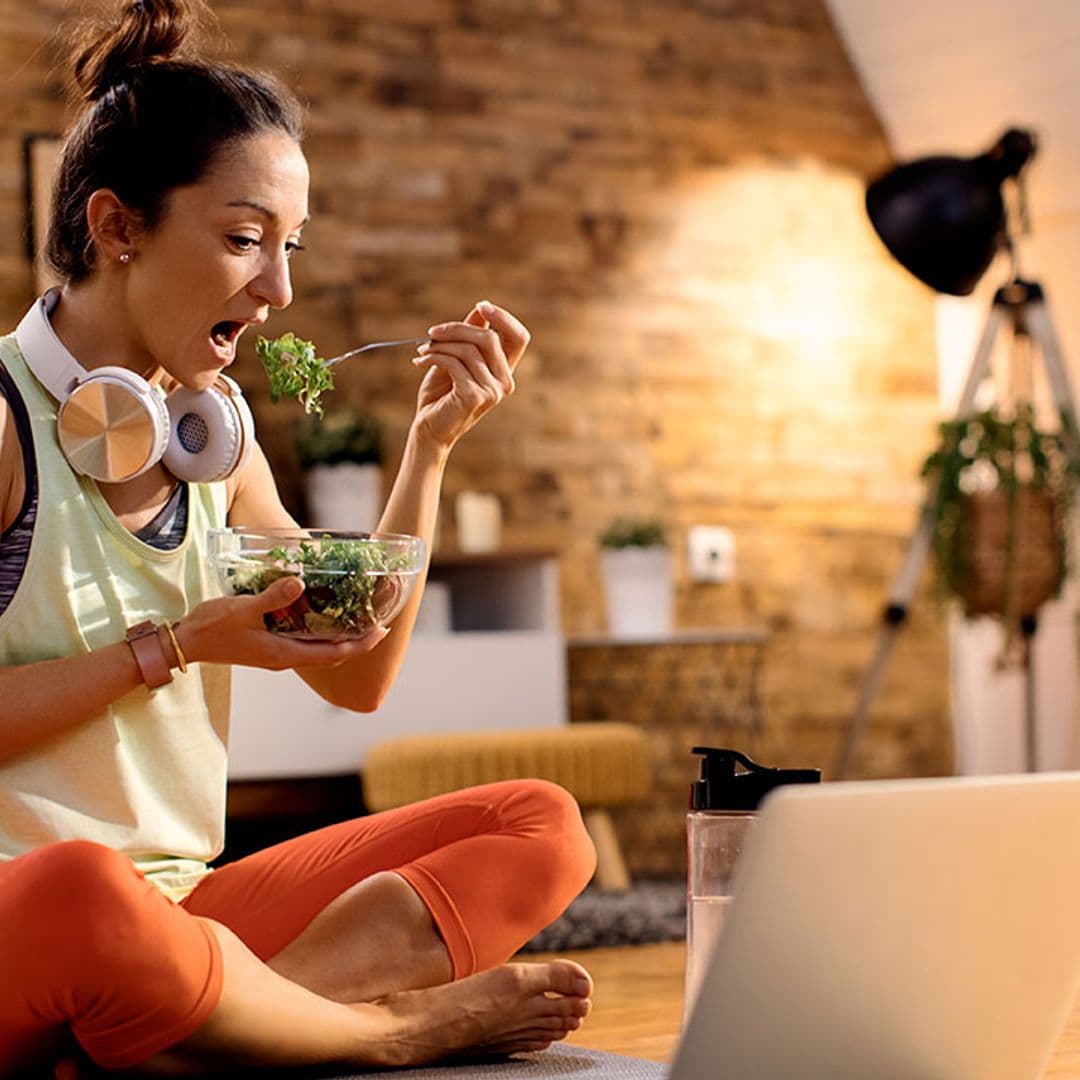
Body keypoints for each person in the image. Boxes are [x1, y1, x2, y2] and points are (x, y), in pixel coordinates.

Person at [0, 1, 597, 1074]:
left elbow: (358, 672)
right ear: (116, 227)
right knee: (86, 888)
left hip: (179, 920)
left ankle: (196, 1036)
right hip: (35, 916)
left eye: (288, 248)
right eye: (242, 241)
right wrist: (173, 647)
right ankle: (376, 1030)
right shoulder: (3, 420)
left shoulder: (210, 440)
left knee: (541, 821)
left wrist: (432, 449)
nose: (278, 292)